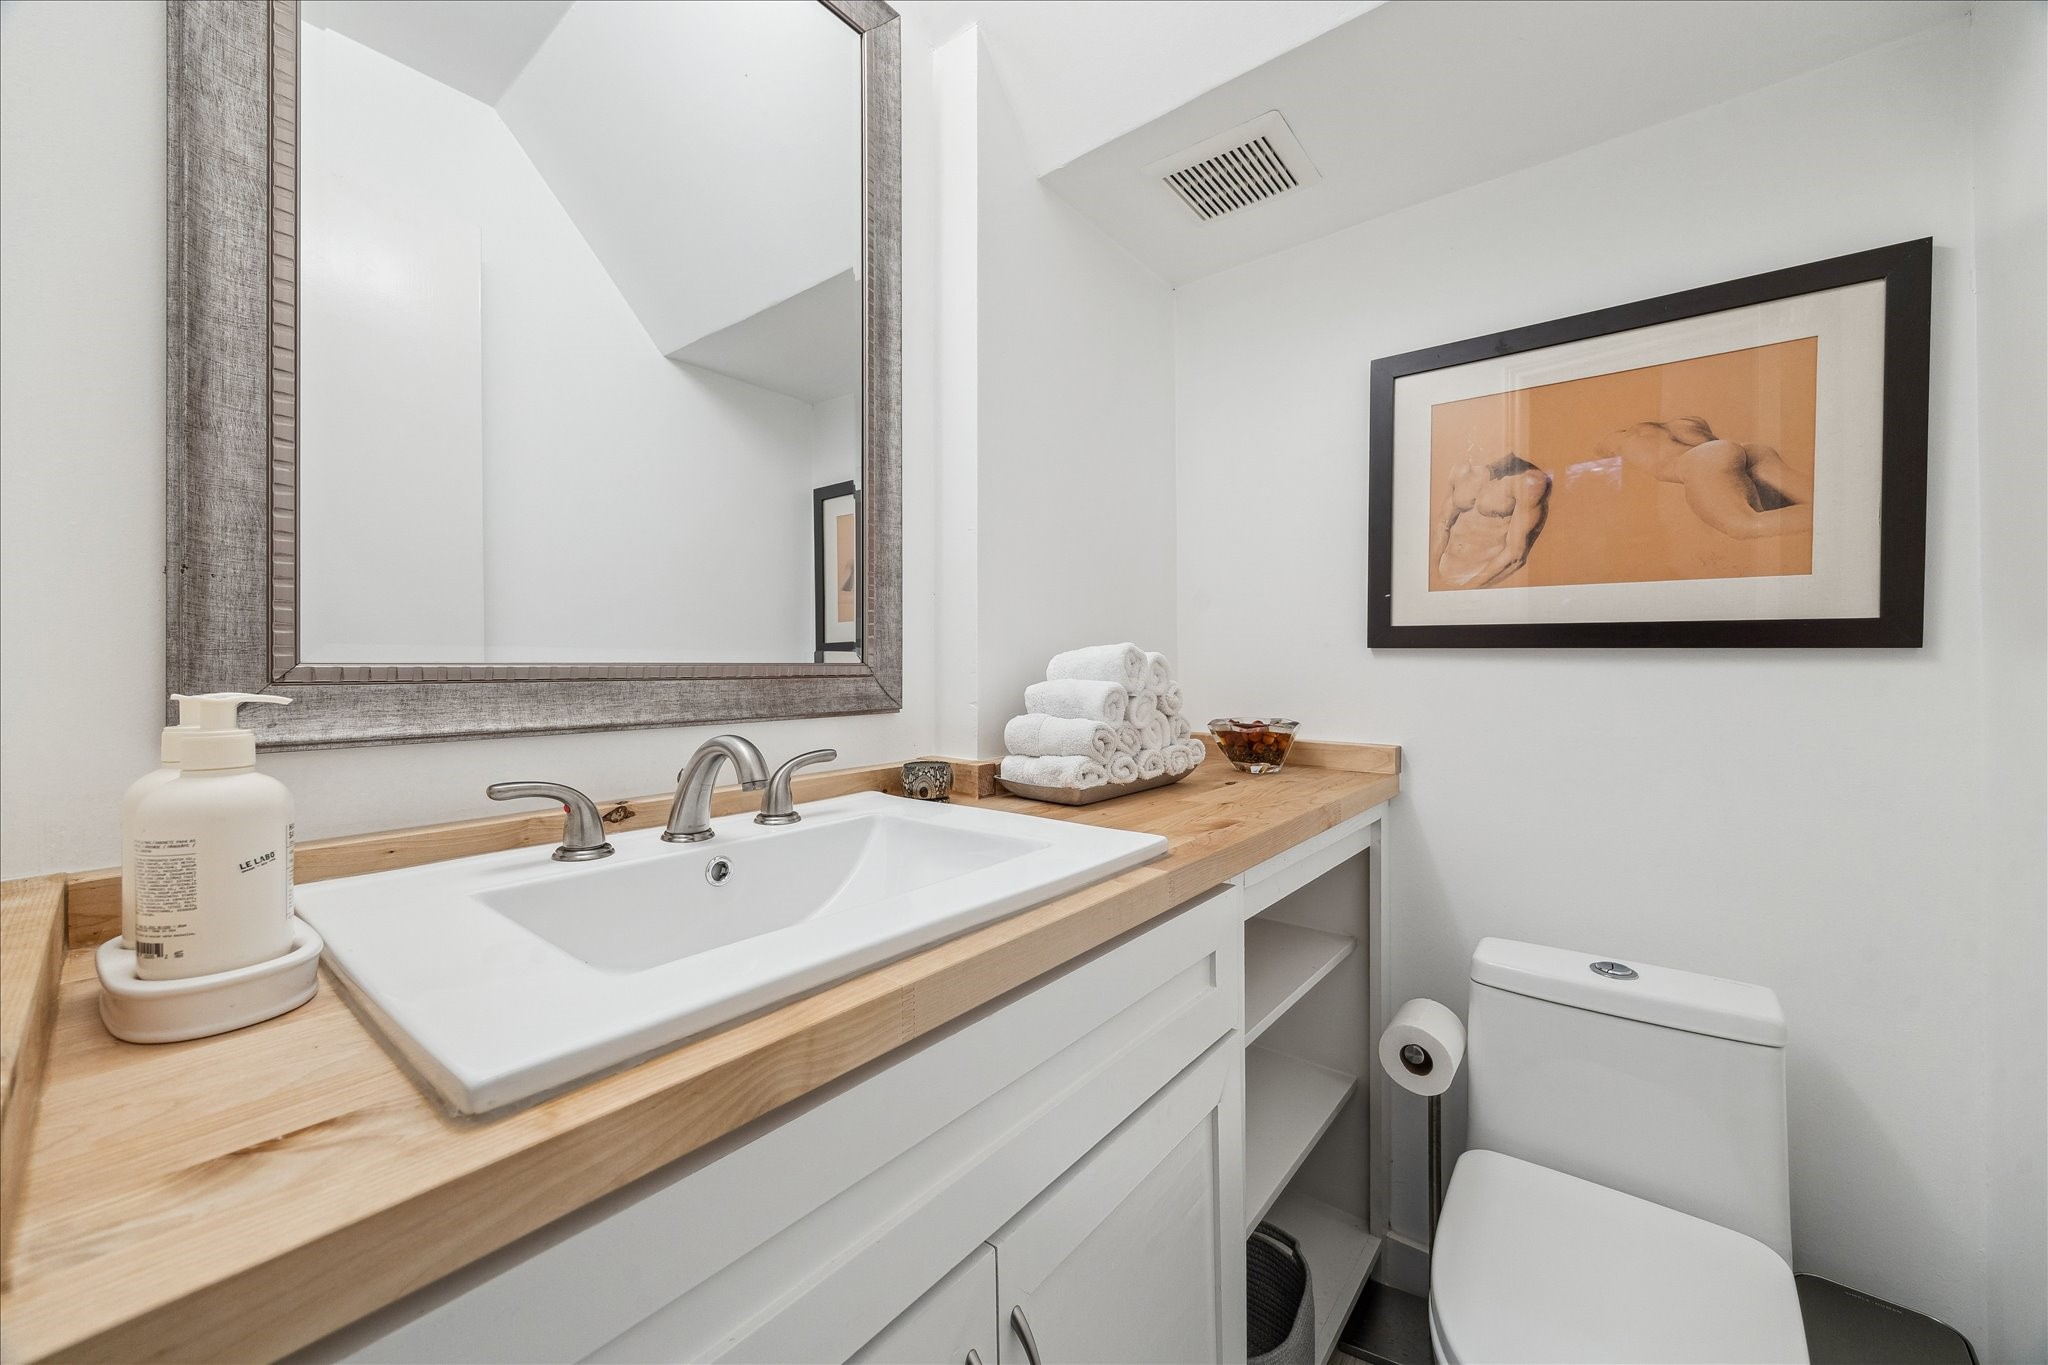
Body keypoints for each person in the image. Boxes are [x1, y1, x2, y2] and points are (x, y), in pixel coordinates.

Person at [1595, 416, 1812, 539]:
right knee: (1816, 502)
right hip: (1745, 450)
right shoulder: (1679, 422)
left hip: (1704, 459)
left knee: (1742, 525)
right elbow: (1716, 446)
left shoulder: (1616, 446)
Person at [1431, 452, 1553, 588]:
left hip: (1476, 583)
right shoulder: (1463, 470)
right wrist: (1432, 575)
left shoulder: (1530, 482)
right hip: (1441, 575)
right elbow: (1443, 524)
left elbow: (1515, 555)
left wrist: (1466, 590)